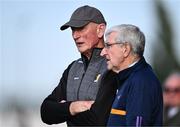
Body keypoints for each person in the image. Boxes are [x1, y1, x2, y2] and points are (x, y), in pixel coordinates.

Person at [40, 5, 117, 126]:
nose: (75, 36)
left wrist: (63, 110)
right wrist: (73, 107)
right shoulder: (73, 68)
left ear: (100, 30)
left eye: (81, 28)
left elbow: (99, 119)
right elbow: (45, 112)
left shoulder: (113, 66)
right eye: (73, 30)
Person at [100, 24, 163, 126]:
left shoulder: (141, 82)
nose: (103, 52)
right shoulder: (130, 78)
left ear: (125, 49)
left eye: (108, 45)